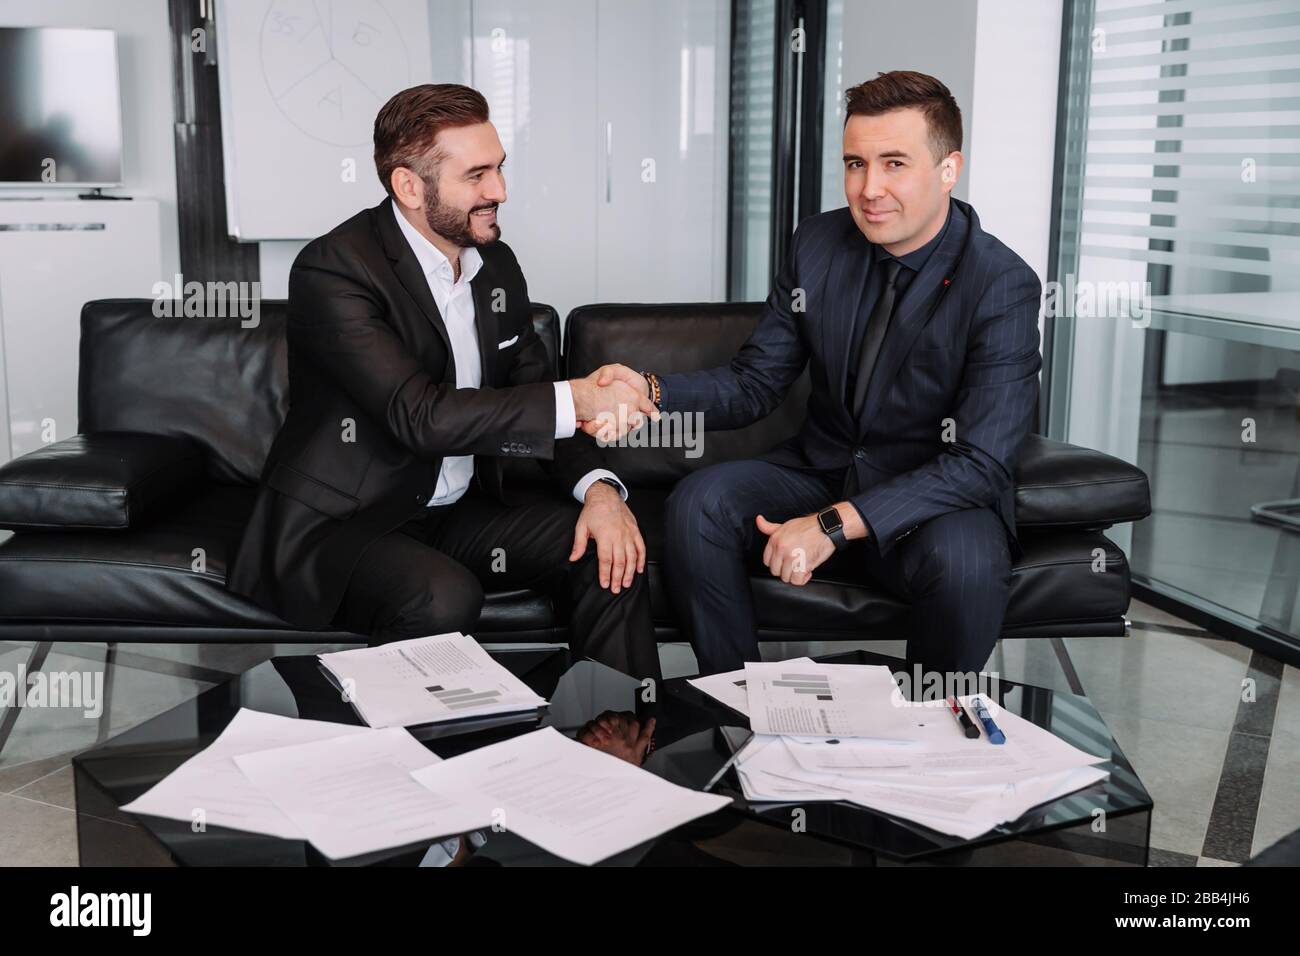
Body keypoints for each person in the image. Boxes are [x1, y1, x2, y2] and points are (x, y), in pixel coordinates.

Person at [591, 71, 1042, 678]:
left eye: (893, 164)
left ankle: (935, 737)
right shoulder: (819, 243)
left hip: (932, 501)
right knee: (699, 502)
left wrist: (833, 526)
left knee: (967, 562)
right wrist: (652, 391)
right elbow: (756, 382)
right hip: (823, 469)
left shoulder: (1001, 283)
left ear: (948, 169)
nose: (869, 189)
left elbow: (981, 464)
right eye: (855, 164)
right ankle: (742, 705)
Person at [228, 84, 661, 682]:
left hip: (459, 508)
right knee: (442, 595)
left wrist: (602, 492)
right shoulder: (334, 269)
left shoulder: (495, 263)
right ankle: (396, 764)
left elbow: (537, 393)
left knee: (613, 551)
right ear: (409, 186)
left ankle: (612, 739)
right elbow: (420, 417)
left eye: (501, 168)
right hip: (349, 522)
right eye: (477, 175)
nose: (500, 192)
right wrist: (579, 396)